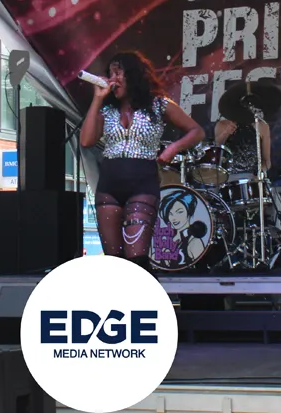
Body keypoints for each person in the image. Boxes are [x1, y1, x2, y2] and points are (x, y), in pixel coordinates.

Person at [80, 51, 205, 271]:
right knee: (113, 261)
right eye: (110, 74)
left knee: (137, 259)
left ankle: (145, 293)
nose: (113, 79)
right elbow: (86, 140)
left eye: (118, 73)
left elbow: (197, 131)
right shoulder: (106, 111)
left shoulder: (159, 105)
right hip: (109, 186)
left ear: (133, 74)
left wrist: (172, 149)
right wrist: (97, 98)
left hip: (142, 185)